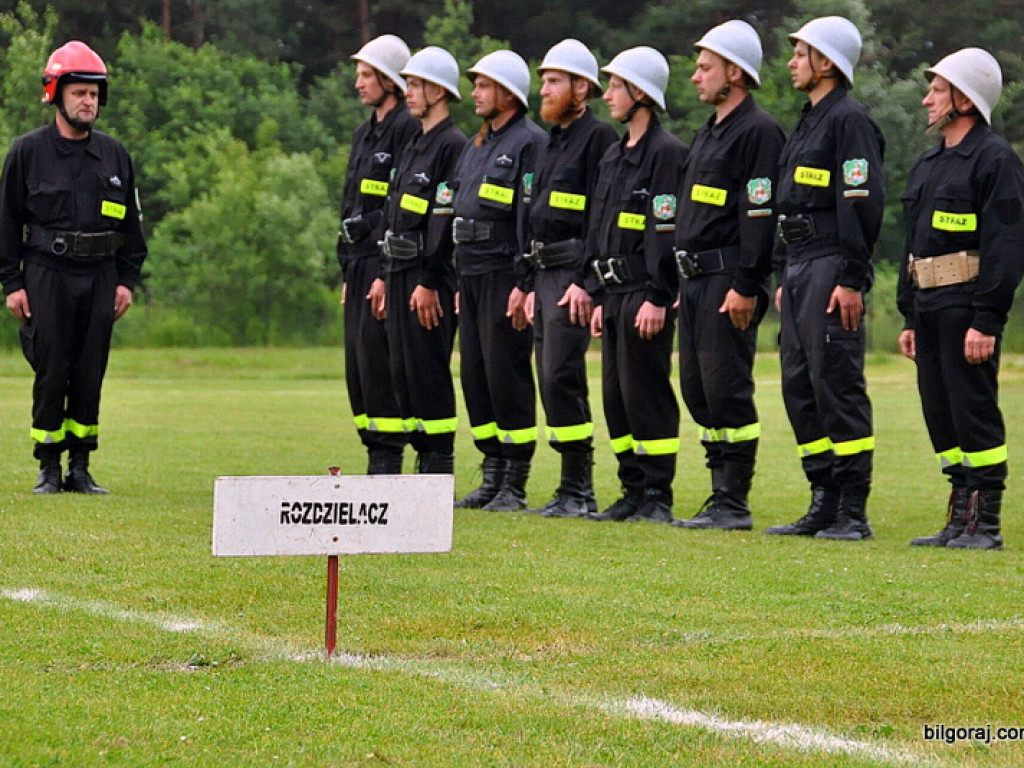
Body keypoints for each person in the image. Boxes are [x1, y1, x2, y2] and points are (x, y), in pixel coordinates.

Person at [0, 41, 147, 494]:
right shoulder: (27, 154)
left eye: (94, 94)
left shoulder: (115, 156)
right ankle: (48, 466)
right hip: (46, 273)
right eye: (80, 92)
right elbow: (6, 223)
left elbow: (132, 225)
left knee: (88, 370)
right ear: (56, 94)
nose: (89, 101)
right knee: (51, 368)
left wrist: (126, 280)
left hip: (101, 276)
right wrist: (12, 282)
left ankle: (81, 466)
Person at [898, 48, 1024, 550]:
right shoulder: (930, 163)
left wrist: (988, 319)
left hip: (965, 305)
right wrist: (907, 313)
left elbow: (1006, 244)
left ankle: (984, 523)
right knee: (940, 411)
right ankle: (957, 517)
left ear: (965, 100)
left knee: (972, 407)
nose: (927, 98)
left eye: (937, 90)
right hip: (927, 306)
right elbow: (914, 243)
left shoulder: (995, 160)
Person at [764, 17, 885, 540]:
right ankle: (824, 499)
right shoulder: (807, 120)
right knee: (799, 384)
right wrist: (783, 270)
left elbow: (861, 204)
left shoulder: (849, 121)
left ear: (827, 62)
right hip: (799, 265)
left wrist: (853, 278)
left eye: (800, 53)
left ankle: (853, 511)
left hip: (833, 264)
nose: (791, 62)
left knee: (837, 382)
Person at [670, 21, 785, 531]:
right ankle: (718, 494)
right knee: (696, 389)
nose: (696, 76)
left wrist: (746, 284)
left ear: (734, 72)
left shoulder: (758, 131)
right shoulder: (708, 130)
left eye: (705, 67)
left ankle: (733, 501)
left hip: (726, 281)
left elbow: (758, 216)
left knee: (725, 387)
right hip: (694, 283)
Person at [583, 47, 688, 523]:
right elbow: (598, 224)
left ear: (640, 92)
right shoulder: (612, 154)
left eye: (616, 86)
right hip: (614, 295)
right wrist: (597, 292)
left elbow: (664, 231)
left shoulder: (667, 155)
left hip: (645, 293)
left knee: (647, 393)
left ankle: (657, 495)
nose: (607, 95)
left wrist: (659, 296)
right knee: (617, 398)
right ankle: (630, 489)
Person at [522, 39, 619, 518]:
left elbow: (598, 217)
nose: (545, 89)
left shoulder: (598, 138)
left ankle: (579, 488)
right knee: (549, 377)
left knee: (563, 374)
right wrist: (526, 282)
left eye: (554, 81)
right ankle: (567, 487)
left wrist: (587, 281)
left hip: (572, 274)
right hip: (543, 275)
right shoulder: (551, 141)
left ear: (582, 87)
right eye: (543, 81)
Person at [451, 50, 545, 512]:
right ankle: (491, 472)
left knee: (506, 372)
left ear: (508, 91)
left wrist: (524, 281)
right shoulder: (478, 143)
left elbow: (530, 217)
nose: (475, 92)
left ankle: (516, 479)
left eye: (483, 85)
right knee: (476, 375)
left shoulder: (530, 142)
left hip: (504, 273)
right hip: (469, 273)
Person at [379, 47, 467, 475]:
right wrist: (383, 273)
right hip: (397, 273)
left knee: (428, 370)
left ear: (438, 91)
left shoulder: (452, 145)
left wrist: (430, 280)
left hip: (425, 277)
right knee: (404, 373)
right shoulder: (415, 141)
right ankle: (419, 464)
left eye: (415, 85)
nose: (408, 91)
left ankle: (438, 467)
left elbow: (443, 220)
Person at [337, 35, 419, 475]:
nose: (358, 83)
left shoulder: (407, 127)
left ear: (391, 81)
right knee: (358, 367)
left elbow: (399, 204)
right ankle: (373, 453)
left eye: (367, 75)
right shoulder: (363, 133)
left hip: (384, 266)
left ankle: (389, 459)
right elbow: (351, 202)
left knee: (378, 361)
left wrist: (386, 272)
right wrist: (346, 268)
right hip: (358, 265)